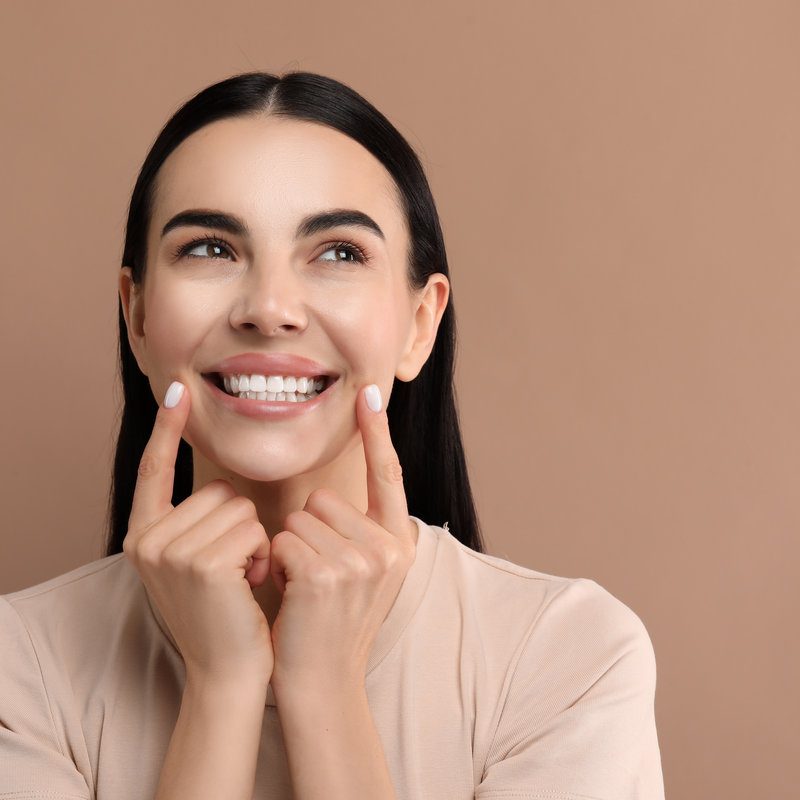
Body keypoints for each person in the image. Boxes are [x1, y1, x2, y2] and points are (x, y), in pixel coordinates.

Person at [0, 71, 665, 799]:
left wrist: (323, 690)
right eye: (210, 249)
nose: (270, 307)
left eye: (339, 252)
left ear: (420, 325)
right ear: (136, 316)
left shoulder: (567, 658)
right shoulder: (19, 667)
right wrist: (222, 687)